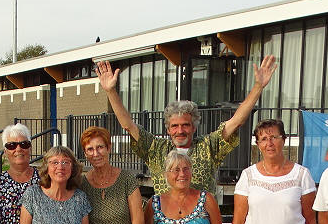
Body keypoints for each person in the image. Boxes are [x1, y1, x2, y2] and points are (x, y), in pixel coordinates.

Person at [94, 55, 277, 195]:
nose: (180, 131)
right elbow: (128, 125)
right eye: (174, 126)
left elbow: (237, 121)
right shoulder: (155, 149)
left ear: (194, 127)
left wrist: (258, 87)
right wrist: (111, 92)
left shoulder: (208, 146)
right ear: (167, 129)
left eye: (185, 125)